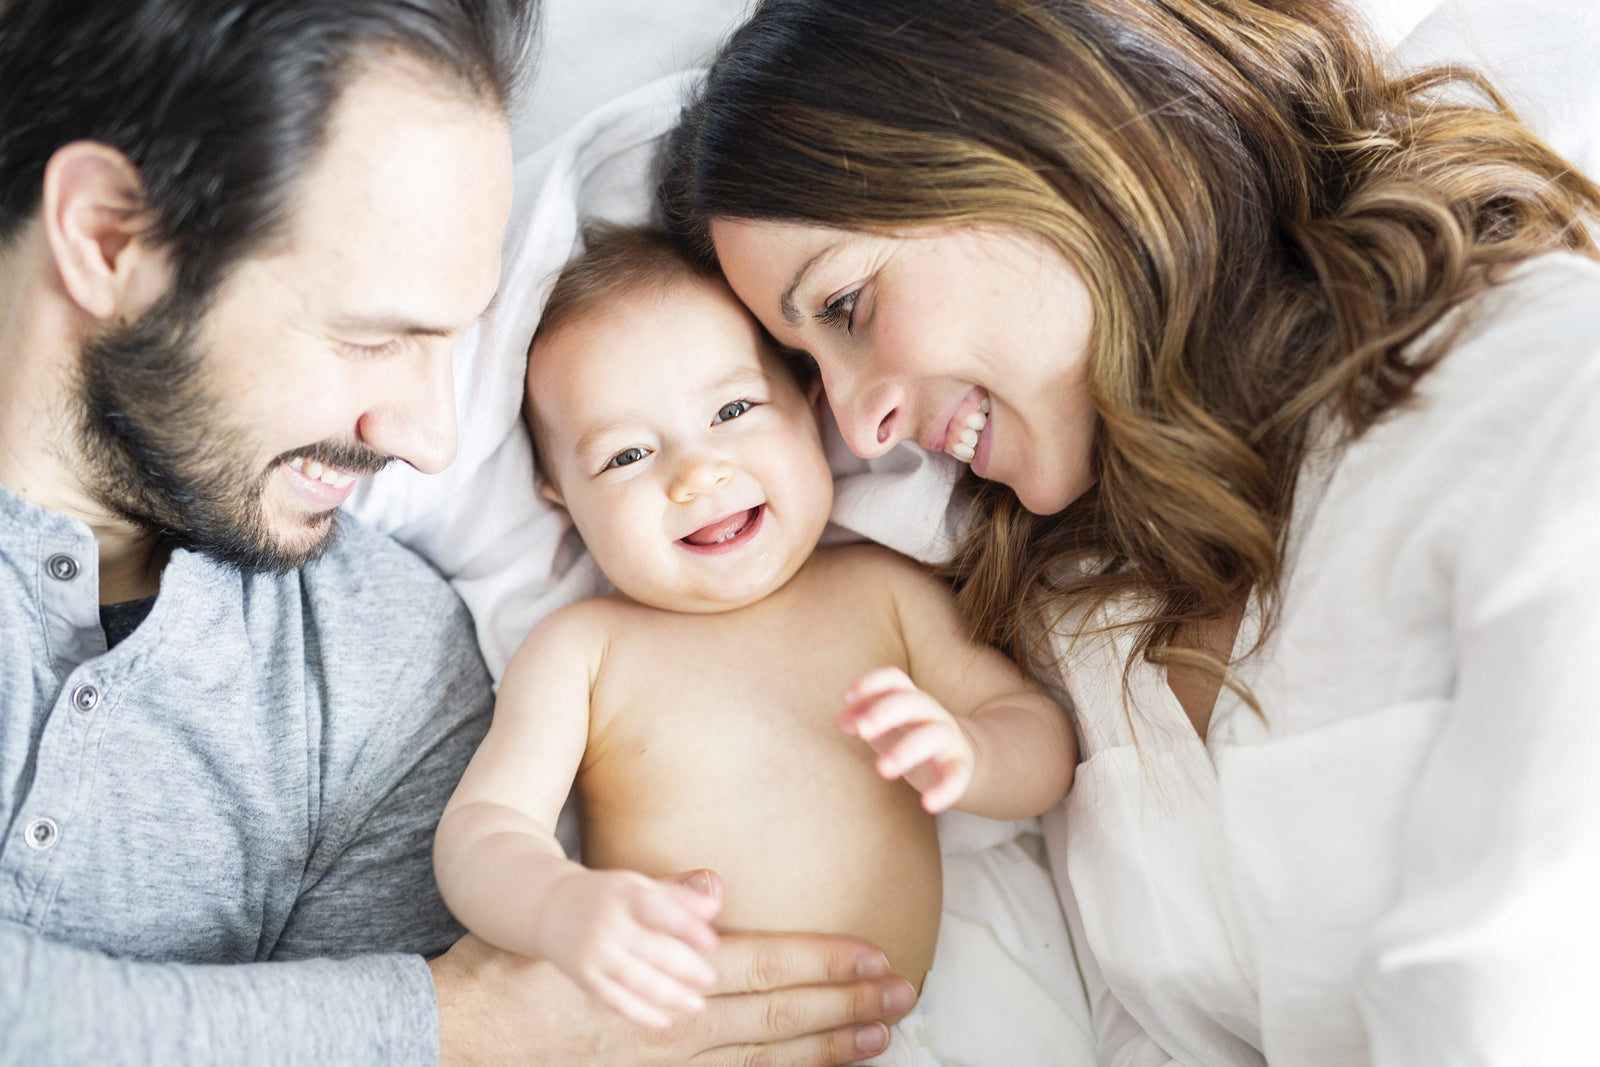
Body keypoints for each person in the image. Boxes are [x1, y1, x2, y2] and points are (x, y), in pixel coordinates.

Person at [661, 0, 1600, 1062]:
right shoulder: (1084, 629)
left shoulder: (1539, 392)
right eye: (807, 370)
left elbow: (1513, 996)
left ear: (1041, 136)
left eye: (846, 305)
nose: (855, 424)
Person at [0, 3, 920, 1064]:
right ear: (108, 235)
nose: (431, 440)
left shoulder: (385, 672)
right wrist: (447, 1021)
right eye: (375, 337)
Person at [433, 225, 1077, 1066]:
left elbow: (1042, 740)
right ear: (562, 500)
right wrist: (558, 905)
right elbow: (482, 832)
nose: (695, 472)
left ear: (813, 414)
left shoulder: (881, 594)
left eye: (733, 411)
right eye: (626, 454)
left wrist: (974, 752)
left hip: (897, 1038)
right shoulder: (583, 650)